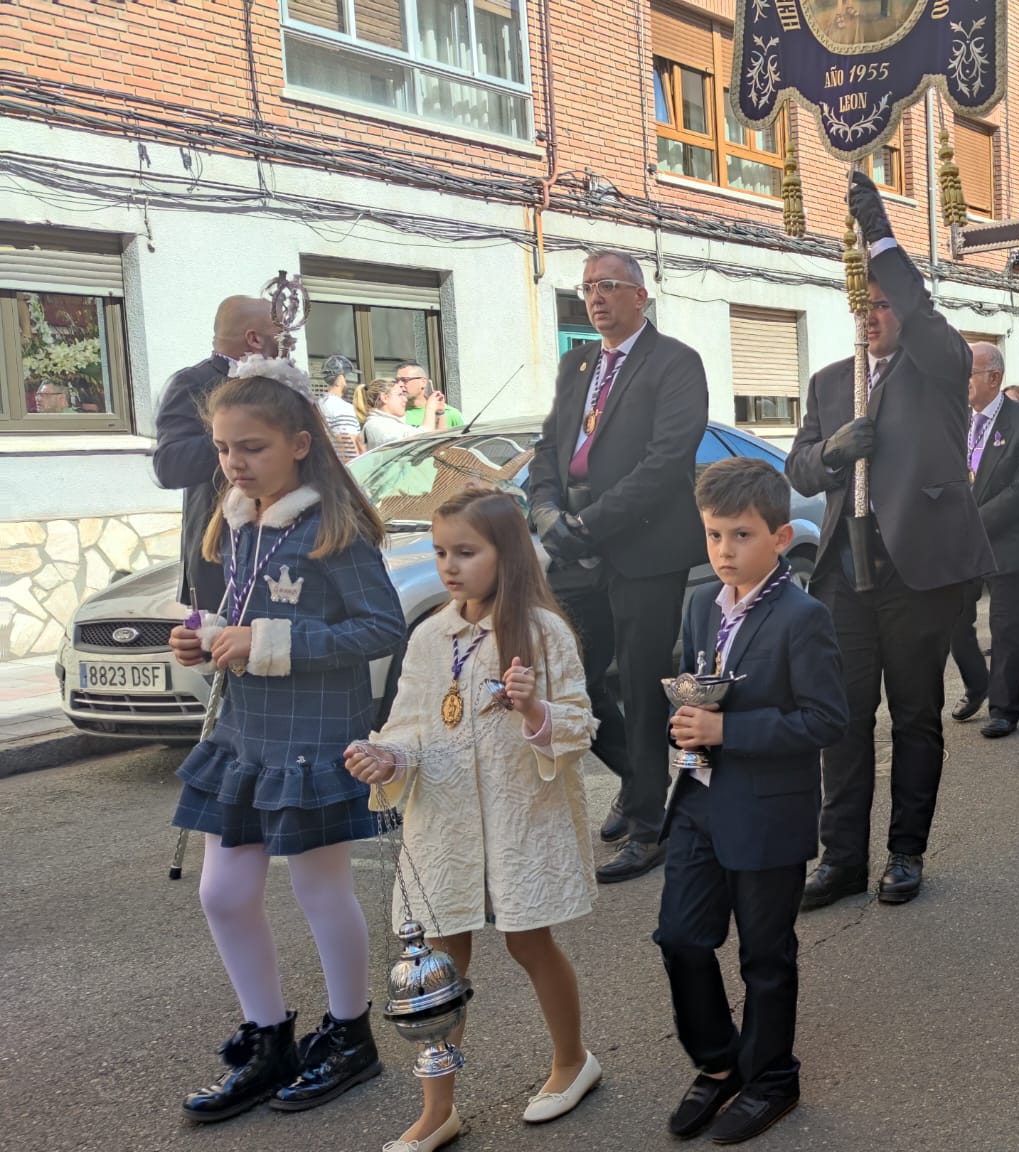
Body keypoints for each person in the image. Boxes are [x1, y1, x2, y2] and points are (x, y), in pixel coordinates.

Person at [165, 357, 405, 1123]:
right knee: (222, 892)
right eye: (225, 449)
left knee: (317, 886)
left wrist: (268, 640)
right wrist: (204, 640)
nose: (234, 463)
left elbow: (381, 628)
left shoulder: (333, 527)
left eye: (252, 448)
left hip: (315, 732)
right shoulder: (236, 520)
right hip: (247, 729)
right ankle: (269, 1040)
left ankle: (350, 1034)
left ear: (301, 443)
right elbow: (243, 613)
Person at [346, 490, 600, 1149]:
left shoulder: (543, 631)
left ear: (506, 554)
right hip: (447, 825)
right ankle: (438, 1108)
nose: (449, 567)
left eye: (466, 551)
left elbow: (577, 725)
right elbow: (409, 728)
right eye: (439, 553)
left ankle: (573, 1062)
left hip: (520, 820)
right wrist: (385, 757)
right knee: (439, 959)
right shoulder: (429, 636)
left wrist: (534, 709)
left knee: (527, 941)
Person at [787, 171, 994, 910]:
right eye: (864, 304)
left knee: (913, 716)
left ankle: (904, 853)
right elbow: (801, 467)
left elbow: (918, 305)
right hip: (847, 573)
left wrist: (879, 236)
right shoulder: (828, 380)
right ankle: (841, 856)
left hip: (918, 573)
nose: (874, 314)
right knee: (841, 721)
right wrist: (837, 449)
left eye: (883, 304)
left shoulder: (940, 366)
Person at [656, 458, 848, 1146]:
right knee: (680, 937)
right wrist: (686, 715)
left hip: (768, 811)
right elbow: (700, 683)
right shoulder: (699, 603)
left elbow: (828, 718)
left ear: (780, 535)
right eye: (713, 536)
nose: (724, 551)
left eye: (740, 536)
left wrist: (729, 729)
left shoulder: (804, 617)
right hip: (701, 800)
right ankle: (718, 1063)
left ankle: (771, 1077)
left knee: (765, 956)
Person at [528, 248, 711, 884]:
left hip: (643, 548)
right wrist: (546, 509)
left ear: (641, 295)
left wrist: (589, 522)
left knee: (640, 680)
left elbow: (665, 463)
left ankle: (646, 827)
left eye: (609, 286)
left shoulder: (676, 363)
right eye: (587, 289)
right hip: (575, 547)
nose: (596, 298)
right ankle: (639, 781)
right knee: (572, 674)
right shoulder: (578, 362)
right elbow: (550, 447)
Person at [153, 294, 281, 617]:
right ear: (253, 339)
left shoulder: (282, 384)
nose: (285, 344)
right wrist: (237, 436)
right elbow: (169, 466)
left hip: (282, 548)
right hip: (220, 560)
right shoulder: (193, 383)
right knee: (225, 660)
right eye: (278, 333)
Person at [949, 342, 1019, 738]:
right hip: (960, 542)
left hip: (1005, 537)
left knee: (1006, 626)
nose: (961, 382)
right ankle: (977, 682)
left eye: (967, 373)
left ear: (993, 377)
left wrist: (971, 522)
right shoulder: (955, 420)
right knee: (952, 618)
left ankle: (1004, 709)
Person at [316, 355, 364, 458]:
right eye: (347, 377)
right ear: (340, 378)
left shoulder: (318, 404)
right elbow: (348, 450)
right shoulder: (342, 408)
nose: (349, 382)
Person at [396, 361, 464, 432]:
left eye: (405, 380)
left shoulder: (449, 413)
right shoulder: (395, 414)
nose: (400, 384)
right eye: (397, 381)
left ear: (423, 382)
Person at [358, 377, 417, 449]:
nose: (405, 399)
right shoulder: (376, 425)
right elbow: (418, 440)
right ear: (384, 398)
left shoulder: (390, 423)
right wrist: (430, 409)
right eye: (400, 395)